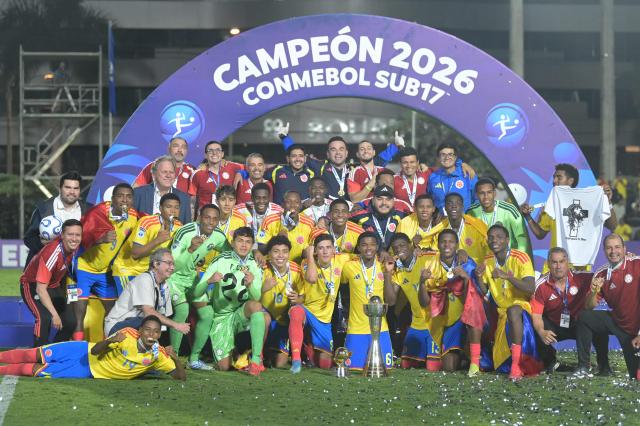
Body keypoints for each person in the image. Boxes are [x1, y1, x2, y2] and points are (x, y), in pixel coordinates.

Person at [0, 315, 186, 380]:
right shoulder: (127, 334)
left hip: (87, 371)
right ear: (140, 330)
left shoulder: (158, 355)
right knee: (34, 354)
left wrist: (176, 359)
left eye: (155, 332)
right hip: (81, 350)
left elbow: (180, 378)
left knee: (35, 369)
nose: (151, 335)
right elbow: (96, 351)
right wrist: (110, 341)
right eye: (147, 330)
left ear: (159, 335)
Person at [191, 226, 269, 376]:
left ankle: (256, 360)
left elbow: (257, 298)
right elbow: (196, 292)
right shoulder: (220, 260)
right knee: (224, 367)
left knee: (259, 310)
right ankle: (238, 353)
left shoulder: (255, 265)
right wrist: (209, 282)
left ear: (252, 244)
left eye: (248, 242)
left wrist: (251, 285)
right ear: (232, 243)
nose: (244, 245)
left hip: (240, 313)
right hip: (221, 317)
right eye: (240, 241)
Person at [474, 224, 542, 379]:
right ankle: (480, 358)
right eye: (491, 237)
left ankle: (516, 365)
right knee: (500, 365)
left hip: (522, 310)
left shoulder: (521, 258)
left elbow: (530, 288)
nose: (494, 240)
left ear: (507, 240)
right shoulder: (488, 261)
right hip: (502, 313)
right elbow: (484, 291)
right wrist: (479, 277)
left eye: (499, 237)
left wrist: (508, 277)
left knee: (514, 310)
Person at [520, 163, 617, 271]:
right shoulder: (553, 203)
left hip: (580, 268)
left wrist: (608, 202)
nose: (554, 181)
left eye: (559, 177)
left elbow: (612, 225)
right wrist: (528, 216)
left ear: (570, 181)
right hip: (553, 268)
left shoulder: (589, 201)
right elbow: (540, 234)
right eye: (554, 177)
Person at [73, 183, 140, 341]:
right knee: (79, 313)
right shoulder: (98, 213)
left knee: (112, 313)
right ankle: (77, 347)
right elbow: (81, 237)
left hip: (105, 272)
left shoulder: (133, 217)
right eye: (120, 196)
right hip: (84, 267)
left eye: (129, 196)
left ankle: (107, 346)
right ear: (112, 199)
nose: (125, 200)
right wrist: (99, 239)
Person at [169, 204, 231, 370]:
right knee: (182, 311)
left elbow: (229, 254)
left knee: (207, 314)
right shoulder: (185, 232)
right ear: (199, 217)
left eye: (214, 219)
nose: (210, 222)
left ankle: (193, 359)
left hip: (193, 279)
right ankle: (172, 358)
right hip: (174, 279)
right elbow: (173, 265)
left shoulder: (218, 235)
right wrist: (190, 249)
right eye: (207, 217)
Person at [530, 247, 609, 374]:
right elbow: (537, 316)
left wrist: (624, 257)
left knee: (595, 321)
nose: (558, 266)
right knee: (535, 326)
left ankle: (602, 366)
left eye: (562, 261)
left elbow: (606, 273)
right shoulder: (541, 286)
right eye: (554, 262)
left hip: (581, 326)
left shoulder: (584, 278)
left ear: (568, 263)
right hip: (556, 326)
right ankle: (550, 362)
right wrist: (541, 331)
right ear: (548, 264)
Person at [419, 229, 484, 376]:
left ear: (456, 245)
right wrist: (422, 283)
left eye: (451, 242)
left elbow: (476, 296)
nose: (447, 245)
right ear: (438, 244)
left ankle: (474, 363)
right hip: (448, 322)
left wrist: (466, 278)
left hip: (469, 318)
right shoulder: (430, 265)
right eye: (443, 241)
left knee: (474, 314)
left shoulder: (467, 263)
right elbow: (424, 303)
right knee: (448, 367)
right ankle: (465, 356)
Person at [577, 234, 640, 379]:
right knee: (585, 317)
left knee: (636, 376)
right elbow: (588, 306)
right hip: (618, 324)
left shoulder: (637, 264)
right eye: (609, 248)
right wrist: (594, 292)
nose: (613, 251)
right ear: (604, 251)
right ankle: (589, 367)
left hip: (636, 331)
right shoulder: (601, 273)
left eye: (617, 247)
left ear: (625, 249)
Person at [280, 126, 401, 200]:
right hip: (329, 212)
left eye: (341, 149)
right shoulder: (320, 167)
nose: (338, 153)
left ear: (347, 153)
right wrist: (285, 138)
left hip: (352, 210)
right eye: (333, 149)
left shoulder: (354, 168)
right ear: (328, 154)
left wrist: (395, 147)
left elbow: (377, 161)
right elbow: (298, 156)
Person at [289, 235, 351, 373]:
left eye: (328, 248)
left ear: (334, 250)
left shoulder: (342, 259)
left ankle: (309, 347)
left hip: (324, 320)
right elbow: (311, 278)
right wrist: (310, 256)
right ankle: (296, 360)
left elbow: (361, 257)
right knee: (296, 311)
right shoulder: (307, 262)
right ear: (315, 251)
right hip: (308, 311)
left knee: (325, 363)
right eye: (320, 248)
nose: (325, 252)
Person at [20, 219, 82, 346]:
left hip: (53, 286)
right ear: (62, 235)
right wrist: (54, 314)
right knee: (44, 318)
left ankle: (54, 351)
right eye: (70, 234)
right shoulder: (52, 254)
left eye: (78, 235)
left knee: (70, 321)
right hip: (31, 285)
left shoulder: (74, 247)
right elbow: (40, 289)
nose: (74, 238)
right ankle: (38, 353)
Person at [104, 249, 189, 337]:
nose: (172, 268)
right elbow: (149, 312)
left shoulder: (164, 286)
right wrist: (176, 325)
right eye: (168, 263)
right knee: (149, 322)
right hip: (117, 327)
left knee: (154, 326)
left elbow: (161, 317)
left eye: (173, 264)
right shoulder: (145, 279)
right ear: (156, 264)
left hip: (137, 325)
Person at [341, 232, 394, 370]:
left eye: (372, 244)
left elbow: (391, 301)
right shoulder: (348, 267)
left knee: (384, 370)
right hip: (356, 329)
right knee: (354, 370)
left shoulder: (384, 266)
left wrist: (388, 274)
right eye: (364, 245)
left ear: (377, 247)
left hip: (381, 329)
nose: (368, 248)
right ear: (358, 247)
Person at [111, 193, 183, 294]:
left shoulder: (179, 227)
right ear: (160, 208)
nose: (173, 211)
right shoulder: (147, 222)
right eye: (168, 207)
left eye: (176, 207)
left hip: (152, 273)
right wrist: (158, 240)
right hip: (129, 270)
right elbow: (135, 254)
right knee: (133, 307)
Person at [384, 233, 436, 370]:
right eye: (395, 248)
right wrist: (387, 273)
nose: (398, 249)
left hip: (435, 323)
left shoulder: (426, 258)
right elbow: (390, 301)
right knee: (406, 364)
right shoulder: (398, 272)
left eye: (402, 245)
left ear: (410, 246)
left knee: (433, 367)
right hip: (417, 324)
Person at [24, 171, 90, 265]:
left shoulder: (87, 211)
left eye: (76, 188)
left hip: (74, 269)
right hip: (44, 267)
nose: (72, 192)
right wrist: (42, 244)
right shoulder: (44, 209)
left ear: (79, 190)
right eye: (68, 187)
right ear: (60, 189)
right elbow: (28, 238)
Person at [260, 236, 304, 368]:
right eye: (276, 251)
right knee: (263, 317)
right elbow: (251, 299)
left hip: (283, 322)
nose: (281, 255)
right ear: (269, 254)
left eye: (285, 251)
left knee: (280, 363)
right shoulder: (262, 267)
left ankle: (295, 359)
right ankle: (258, 358)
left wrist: (298, 299)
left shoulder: (296, 269)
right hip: (266, 318)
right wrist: (263, 289)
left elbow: (304, 297)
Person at [467, 177, 530, 253]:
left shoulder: (509, 210)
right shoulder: (471, 212)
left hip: (507, 259)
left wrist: (518, 258)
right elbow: (468, 238)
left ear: (494, 193)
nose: (486, 197)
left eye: (489, 192)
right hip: (484, 261)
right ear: (477, 195)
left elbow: (521, 237)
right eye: (482, 193)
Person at [426, 192, 489, 264]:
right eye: (450, 203)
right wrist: (457, 252)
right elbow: (435, 254)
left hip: (475, 272)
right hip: (449, 272)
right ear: (445, 207)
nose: (454, 206)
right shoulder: (440, 231)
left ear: (462, 207)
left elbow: (489, 249)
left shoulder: (476, 227)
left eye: (458, 203)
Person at [133, 155, 192, 224]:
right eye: (164, 172)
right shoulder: (138, 194)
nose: (168, 175)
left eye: (171, 172)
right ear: (154, 175)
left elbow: (186, 228)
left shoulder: (184, 198)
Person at [259, 191, 314, 262]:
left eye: (296, 202)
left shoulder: (309, 223)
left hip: (298, 267)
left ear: (300, 205)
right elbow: (260, 247)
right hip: (273, 265)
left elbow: (313, 249)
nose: (292, 205)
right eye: (288, 202)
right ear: (282, 204)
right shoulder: (269, 220)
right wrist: (275, 240)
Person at [189, 141, 244, 211]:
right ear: (205, 155)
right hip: (207, 217)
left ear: (222, 154)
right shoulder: (197, 174)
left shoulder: (232, 167)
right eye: (210, 150)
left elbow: (250, 168)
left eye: (218, 150)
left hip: (228, 216)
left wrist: (240, 173)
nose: (214, 153)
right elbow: (192, 199)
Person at [351, 185, 406, 250]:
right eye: (379, 199)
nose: (384, 203)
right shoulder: (358, 218)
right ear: (373, 200)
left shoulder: (402, 216)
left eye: (388, 199)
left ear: (393, 201)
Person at [428, 142, 478, 212]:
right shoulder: (433, 177)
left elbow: (477, 200)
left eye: (450, 154)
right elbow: (430, 200)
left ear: (455, 157)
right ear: (438, 158)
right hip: (441, 221)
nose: (447, 157)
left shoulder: (467, 175)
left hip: (465, 220)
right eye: (443, 155)